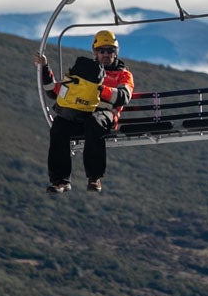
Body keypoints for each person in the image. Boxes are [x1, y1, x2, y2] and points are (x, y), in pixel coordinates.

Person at [35, 29, 134, 194]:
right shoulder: (85, 72)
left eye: (110, 50)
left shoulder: (123, 75)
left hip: (105, 115)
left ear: (116, 52)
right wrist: (45, 68)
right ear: (95, 52)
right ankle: (60, 180)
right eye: (102, 50)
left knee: (93, 123)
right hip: (80, 113)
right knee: (59, 126)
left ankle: (94, 177)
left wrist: (98, 90)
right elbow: (54, 91)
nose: (106, 54)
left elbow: (123, 96)